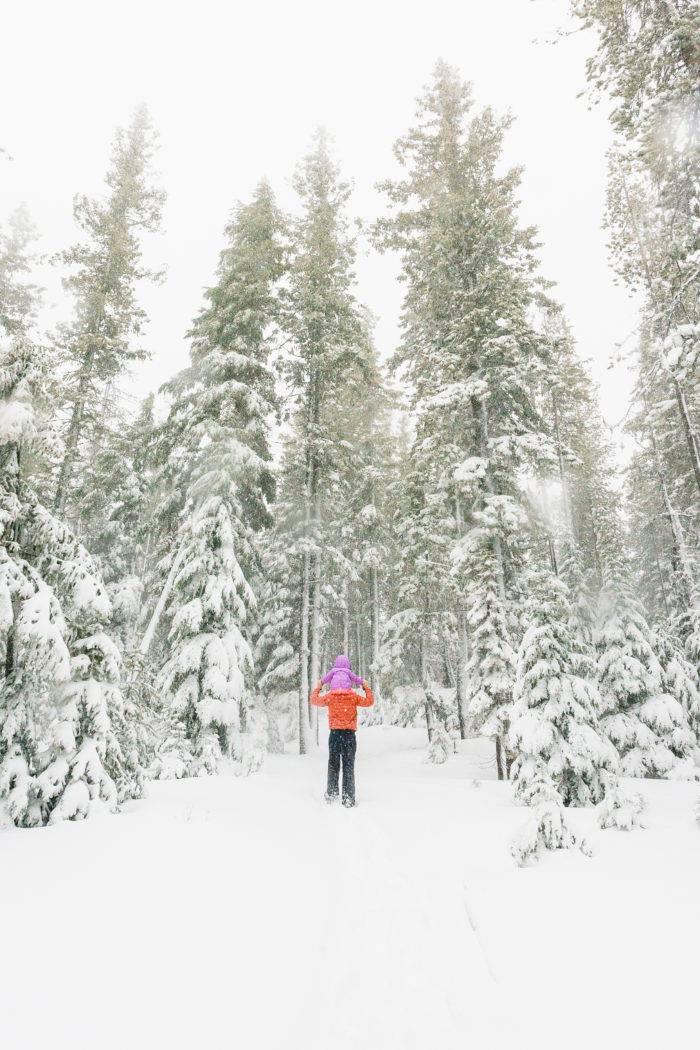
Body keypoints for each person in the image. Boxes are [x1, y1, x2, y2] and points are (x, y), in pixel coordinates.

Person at [311, 667, 374, 808]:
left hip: (334, 735)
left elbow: (314, 700)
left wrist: (318, 687)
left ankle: (332, 794)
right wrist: (365, 687)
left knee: (333, 764)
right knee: (348, 766)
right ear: (348, 682)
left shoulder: (331, 696)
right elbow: (369, 701)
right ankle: (348, 798)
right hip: (349, 736)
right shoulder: (353, 697)